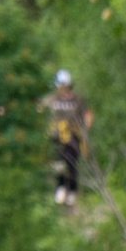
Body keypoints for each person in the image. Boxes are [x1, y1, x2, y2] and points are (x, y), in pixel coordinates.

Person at [43, 69, 90, 210]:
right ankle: (61, 187)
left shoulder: (78, 100)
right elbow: (40, 106)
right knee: (58, 163)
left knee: (72, 163)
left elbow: (87, 114)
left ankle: (72, 192)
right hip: (56, 136)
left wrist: (86, 129)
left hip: (74, 135)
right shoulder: (53, 99)